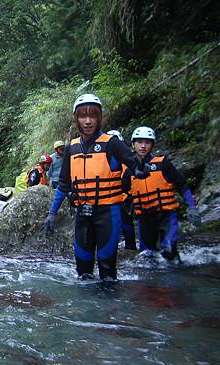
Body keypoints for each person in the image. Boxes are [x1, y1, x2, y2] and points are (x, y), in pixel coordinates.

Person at [43, 94, 148, 281]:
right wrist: (52, 213)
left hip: (108, 213)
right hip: (84, 214)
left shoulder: (112, 144)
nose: (88, 121)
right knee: (83, 271)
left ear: (100, 118)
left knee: (107, 271)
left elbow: (133, 162)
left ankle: (110, 308)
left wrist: (140, 168)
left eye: (93, 116)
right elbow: (64, 184)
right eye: (83, 116)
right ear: (76, 119)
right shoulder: (71, 148)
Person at [122, 126, 201, 261]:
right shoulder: (129, 171)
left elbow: (182, 185)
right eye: (140, 142)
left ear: (152, 145)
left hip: (166, 216)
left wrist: (192, 207)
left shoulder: (163, 163)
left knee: (169, 251)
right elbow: (123, 193)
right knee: (147, 258)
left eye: (147, 142)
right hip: (145, 219)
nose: (143, 146)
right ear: (133, 144)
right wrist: (129, 207)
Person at [107, 129, 137, 250]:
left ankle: (130, 248)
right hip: (108, 200)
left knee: (127, 226)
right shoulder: (101, 163)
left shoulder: (129, 162)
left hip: (125, 200)